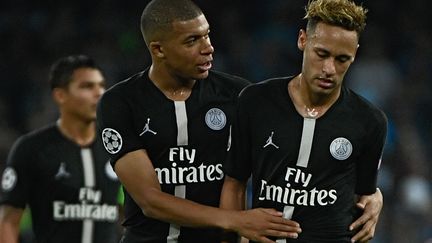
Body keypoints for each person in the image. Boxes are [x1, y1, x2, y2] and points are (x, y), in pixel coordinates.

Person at [97, 0, 383, 242]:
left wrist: (371, 194)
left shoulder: (240, 95)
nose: (208, 47)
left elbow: (291, 147)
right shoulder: (120, 102)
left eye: (207, 35)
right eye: (192, 40)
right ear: (158, 50)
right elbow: (149, 200)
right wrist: (236, 220)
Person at [220, 0, 387, 242]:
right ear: (302, 40)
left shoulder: (370, 121)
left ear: (355, 55)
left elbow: (364, 198)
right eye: (322, 54)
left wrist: (375, 199)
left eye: (342, 59)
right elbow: (235, 183)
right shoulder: (255, 101)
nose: (329, 68)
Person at [0, 55, 122, 243]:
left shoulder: (116, 148)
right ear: (60, 95)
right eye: (87, 86)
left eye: (101, 85)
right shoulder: (32, 149)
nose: (99, 93)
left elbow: (128, 215)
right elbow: (8, 221)